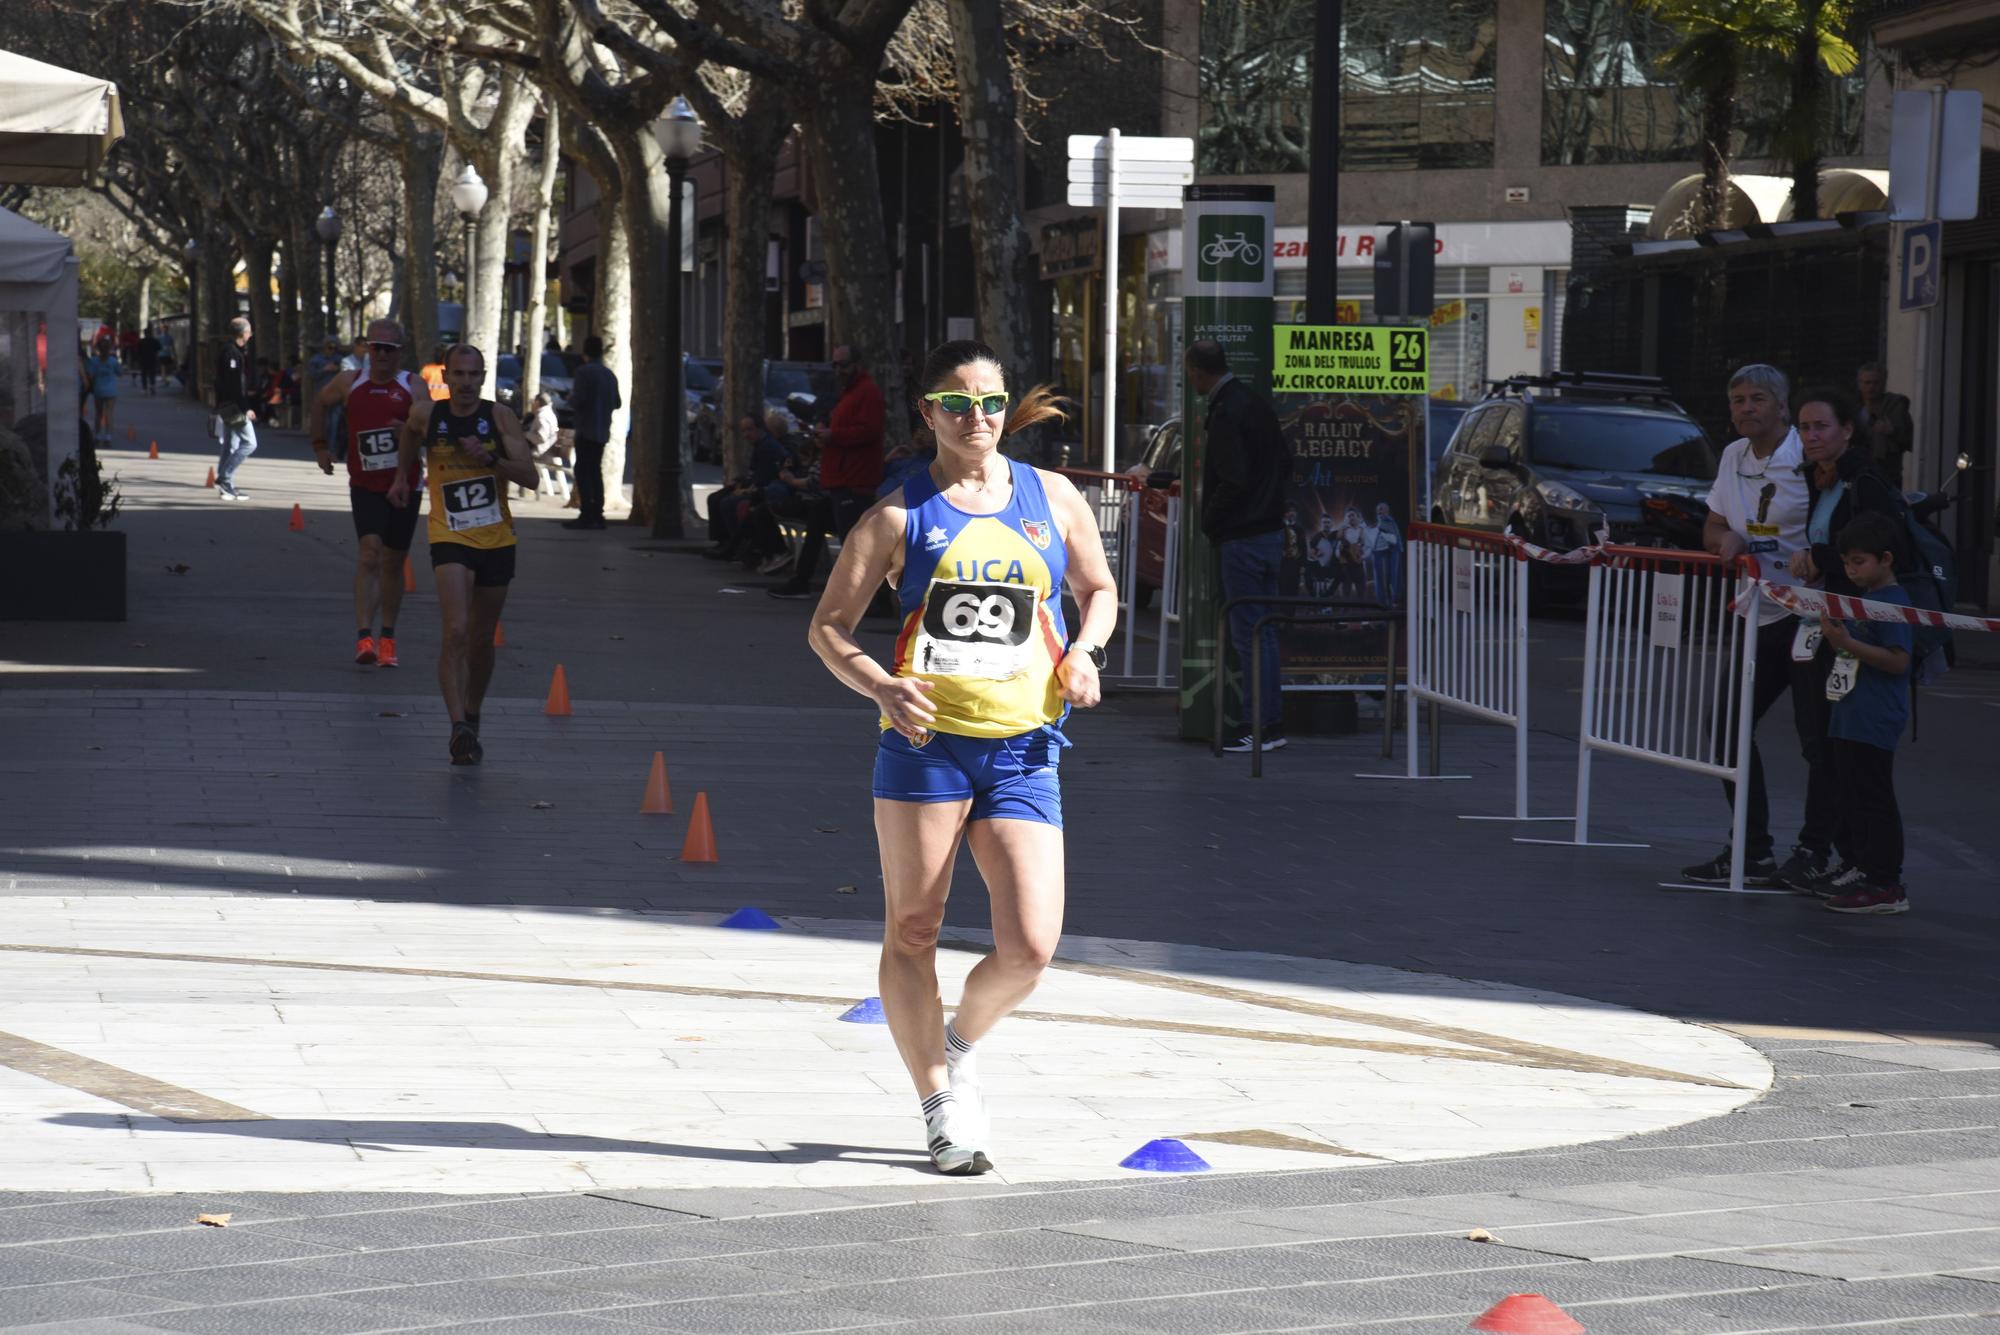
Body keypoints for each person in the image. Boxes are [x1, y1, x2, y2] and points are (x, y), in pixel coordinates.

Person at [804, 338, 1116, 1174]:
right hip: (925, 750)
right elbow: (828, 627)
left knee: (1030, 947)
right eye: (956, 402)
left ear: (1007, 407)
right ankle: (940, 1102)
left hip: (1023, 749)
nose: (975, 417)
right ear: (927, 413)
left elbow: (1099, 589)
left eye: (989, 401)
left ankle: (959, 1037)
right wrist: (879, 686)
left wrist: (1085, 650)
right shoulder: (901, 514)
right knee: (913, 927)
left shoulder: (1053, 498)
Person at [1679, 363, 1816, 887]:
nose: (1746, 408)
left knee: (1816, 741)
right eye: (1737, 400)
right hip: (1757, 609)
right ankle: (1750, 848)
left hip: (1809, 612)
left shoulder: (1804, 456)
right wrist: (1724, 541)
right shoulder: (1734, 455)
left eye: (1758, 398)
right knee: (1728, 726)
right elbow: (1713, 524)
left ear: (1783, 407)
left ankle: (1818, 851)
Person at [1781, 388, 1910, 892]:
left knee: (1854, 763)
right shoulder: (1822, 481)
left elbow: (1873, 549)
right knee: (1828, 748)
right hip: (1827, 626)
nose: (1811, 437)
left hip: (1852, 629)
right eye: (1804, 428)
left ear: (1848, 431)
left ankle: (1864, 865)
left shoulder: (1863, 482)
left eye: (1821, 427)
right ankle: (1841, 853)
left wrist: (1825, 559)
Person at [388, 344, 537, 765]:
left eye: (474, 375)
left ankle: (472, 715)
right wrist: (404, 476)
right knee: (455, 629)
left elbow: (530, 477)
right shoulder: (426, 414)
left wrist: (490, 458)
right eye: (459, 374)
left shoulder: (499, 417)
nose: (466, 383)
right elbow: (409, 435)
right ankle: (457, 727)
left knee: (480, 640)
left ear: (483, 377)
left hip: (497, 538)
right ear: (446, 377)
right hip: (448, 533)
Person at [1183, 339, 1292, 753]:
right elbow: (1284, 463)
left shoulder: (1228, 410)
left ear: (1196, 370)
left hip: (1243, 536)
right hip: (1266, 532)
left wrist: (1211, 520)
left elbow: (1233, 478)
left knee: (1249, 633)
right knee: (1262, 630)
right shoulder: (1252, 403)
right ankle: (1270, 721)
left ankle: (1258, 726)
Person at [310, 319, 424, 669]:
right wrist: (320, 446)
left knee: (392, 561)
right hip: (364, 484)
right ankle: (364, 636)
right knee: (369, 554)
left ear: (400, 353)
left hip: (405, 484)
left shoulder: (413, 386)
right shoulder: (349, 382)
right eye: (376, 348)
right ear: (366, 349)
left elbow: (429, 429)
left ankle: (387, 636)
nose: (381, 356)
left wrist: (407, 430)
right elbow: (319, 402)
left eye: (389, 349)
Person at [1818, 512, 1915, 915]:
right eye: (1846, 562)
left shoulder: (1894, 605)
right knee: (1852, 792)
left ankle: (1886, 882)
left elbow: (1898, 661)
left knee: (1874, 795)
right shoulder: (1863, 601)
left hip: (1875, 715)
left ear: (1886, 559)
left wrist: (1846, 642)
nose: (1851, 570)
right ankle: (1862, 865)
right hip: (1850, 710)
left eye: (1859, 562)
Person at [770, 344, 884, 598]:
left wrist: (833, 435)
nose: (838, 370)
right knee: (822, 521)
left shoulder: (867, 393)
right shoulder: (849, 393)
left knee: (854, 541)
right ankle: (802, 581)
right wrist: (825, 436)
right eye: (834, 365)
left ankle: (869, 598)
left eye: (843, 364)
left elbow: (868, 431)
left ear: (857, 365)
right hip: (840, 477)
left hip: (853, 479)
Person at [565, 335, 621, 530]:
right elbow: (618, 402)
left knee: (583, 471)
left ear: (585, 352)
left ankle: (587, 514)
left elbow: (579, 400)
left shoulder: (584, 372)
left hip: (586, 429)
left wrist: (571, 399)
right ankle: (598, 512)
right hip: (602, 430)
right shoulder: (609, 374)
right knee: (595, 471)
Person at [211, 317, 259, 500]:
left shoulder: (232, 351)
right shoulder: (231, 353)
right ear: (242, 333)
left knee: (231, 444)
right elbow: (234, 385)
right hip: (232, 406)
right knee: (249, 443)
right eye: (249, 331)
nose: (250, 335)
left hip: (227, 404)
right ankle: (225, 478)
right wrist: (245, 407)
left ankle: (225, 483)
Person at [1854, 362, 1913, 474]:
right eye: (1867, 383)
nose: (1871, 387)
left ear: (1884, 383)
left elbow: (1911, 441)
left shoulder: (1895, 407)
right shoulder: (1853, 408)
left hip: (1887, 473)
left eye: (1876, 383)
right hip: (1857, 470)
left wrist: (1892, 431)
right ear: (1859, 384)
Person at [83, 339, 121, 445]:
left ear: (98, 349)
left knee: (98, 414)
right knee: (109, 414)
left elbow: (90, 374)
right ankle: (108, 436)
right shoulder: (113, 361)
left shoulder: (94, 361)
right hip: (111, 391)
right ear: (109, 349)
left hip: (99, 390)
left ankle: (97, 435)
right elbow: (119, 372)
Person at [1369, 501, 1403, 607]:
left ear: (1387, 511)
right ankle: (1385, 602)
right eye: (1378, 509)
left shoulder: (1388, 522)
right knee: (1382, 579)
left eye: (1381, 509)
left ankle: (1391, 601)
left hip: (1389, 553)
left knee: (1390, 578)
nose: (1379, 511)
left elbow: (1394, 539)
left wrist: (1381, 531)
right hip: (1379, 553)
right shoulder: (1378, 523)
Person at [134, 327, 162, 396]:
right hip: (152, 359)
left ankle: (145, 388)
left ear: (144, 334)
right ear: (151, 333)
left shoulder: (141, 341)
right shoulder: (154, 340)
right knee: (152, 373)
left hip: (143, 359)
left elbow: (138, 351)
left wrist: (138, 360)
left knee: (144, 374)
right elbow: (159, 348)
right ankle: (152, 385)